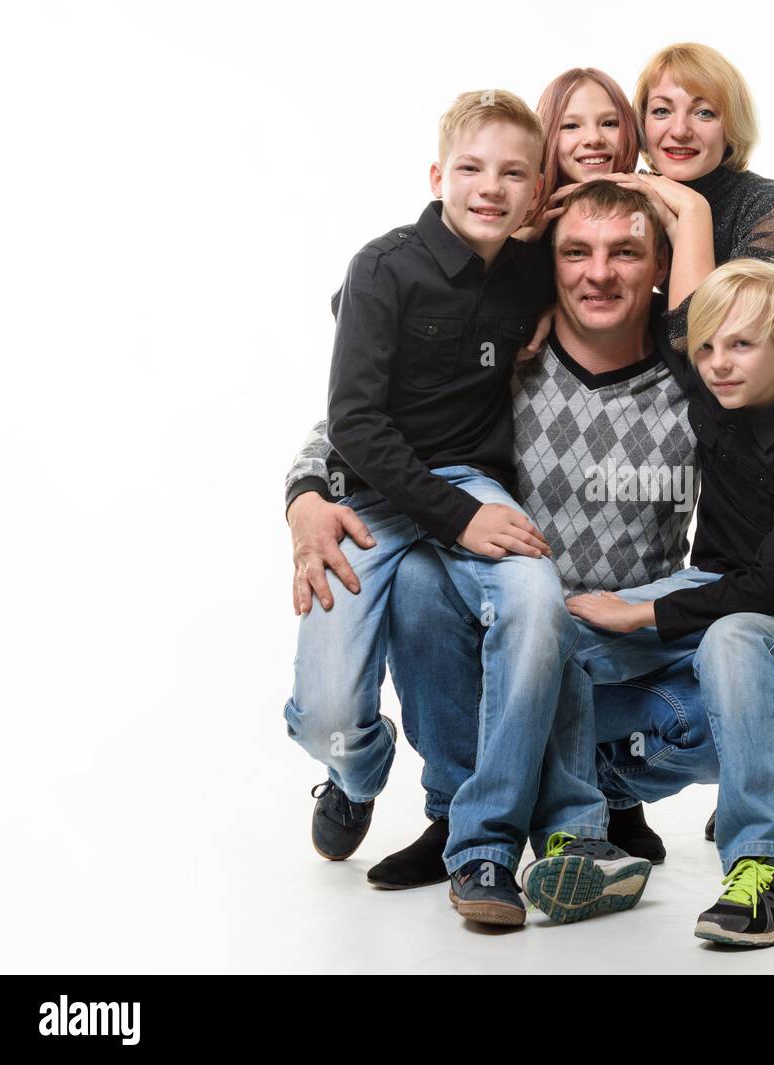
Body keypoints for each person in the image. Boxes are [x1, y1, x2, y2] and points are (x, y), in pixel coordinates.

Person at [284, 182, 774, 895]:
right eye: (576, 252)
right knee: (418, 576)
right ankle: (476, 806)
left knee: (722, 703)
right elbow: (355, 424)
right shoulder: (505, 361)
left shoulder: (705, 377)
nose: (599, 272)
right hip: (499, 651)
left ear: (661, 265)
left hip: (621, 656)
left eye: (626, 253)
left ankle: (577, 798)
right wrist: (305, 494)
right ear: (551, 263)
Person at [281, 89, 648, 929]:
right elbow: (355, 423)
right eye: (473, 169)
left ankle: (484, 843)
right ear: (437, 174)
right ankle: (353, 776)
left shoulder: (529, 269)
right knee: (331, 713)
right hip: (367, 496)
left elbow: (599, 245)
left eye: (514, 174)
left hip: (472, 481)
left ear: (534, 191)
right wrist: (447, 516)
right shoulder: (384, 266)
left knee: (536, 601)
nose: (491, 187)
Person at [528, 258, 774, 947]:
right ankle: (588, 832)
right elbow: (668, 324)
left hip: (766, 602)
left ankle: (771, 865)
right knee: (561, 637)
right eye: (708, 349)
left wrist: (641, 612)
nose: (718, 364)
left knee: (732, 638)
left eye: (741, 345)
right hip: (704, 581)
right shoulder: (712, 385)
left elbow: (765, 588)